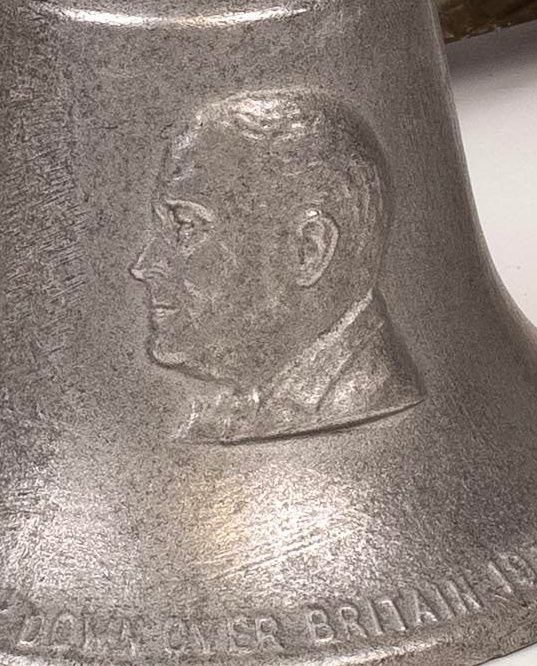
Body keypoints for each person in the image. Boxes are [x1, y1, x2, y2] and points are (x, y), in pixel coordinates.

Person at [132, 87, 423, 442]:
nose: (145, 265)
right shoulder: (238, 405)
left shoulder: (366, 393)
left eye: (186, 226)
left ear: (308, 250)